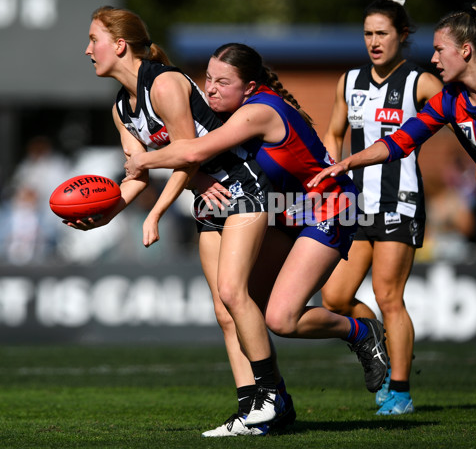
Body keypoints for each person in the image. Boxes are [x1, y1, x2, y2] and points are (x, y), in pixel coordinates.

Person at [308, 3, 476, 430]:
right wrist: (349, 163)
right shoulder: (450, 103)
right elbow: (400, 141)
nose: (433, 58)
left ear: (467, 51)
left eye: (440, 50)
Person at [123, 41, 389, 426]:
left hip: (329, 208)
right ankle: (275, 402)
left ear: (248, 87)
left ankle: (361, 332)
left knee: (281, 319)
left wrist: (142, 160)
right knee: (248, 308)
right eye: (209, 78)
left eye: (222, 82)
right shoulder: (237, 109)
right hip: (286, 208)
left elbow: (193, 151)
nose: (210, 88)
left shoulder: (256, 112)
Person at [75, 6, 295, 437]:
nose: (88, 50)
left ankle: (274, 396)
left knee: (235, 292)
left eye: (93, 39)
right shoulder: (122, 107)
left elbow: (187, 153)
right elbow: (136, 174)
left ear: (119, 45)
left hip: (242, 185)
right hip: (207, 196)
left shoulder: (166, 82)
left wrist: (156, 212)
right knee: (223, 310)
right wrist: (103, 214)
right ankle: (252, 408)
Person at [319, 0, 442, 416]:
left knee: (390, 295)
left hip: (399, 201)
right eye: (368, 33)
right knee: (333, 297)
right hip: (355, 205)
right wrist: (333, 172)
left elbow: (459, 112)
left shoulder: (419, 81)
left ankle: (402, 390)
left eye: (383, 33)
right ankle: (378, 341)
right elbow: (334, 132)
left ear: (402, 35)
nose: (374, 41)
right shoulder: (348, 81)